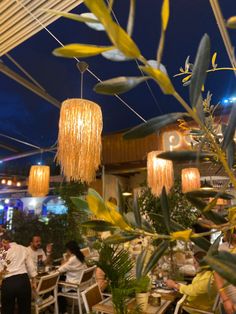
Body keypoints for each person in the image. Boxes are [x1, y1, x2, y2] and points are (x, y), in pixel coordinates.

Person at [0, 232, 37, 314]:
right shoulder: (23, 248)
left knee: (7, 309)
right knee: (25, 309)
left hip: (8, 283)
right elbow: (31, 267)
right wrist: (34, 281)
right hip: (23, 281)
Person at [57, 241, 87, 314]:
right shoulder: (80, 256)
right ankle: (63, 310)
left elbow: (59, 270)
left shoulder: (72, 259)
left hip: (74, 287)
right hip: (83, 285)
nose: (66, 252)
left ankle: (63, 311)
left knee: (56, 288)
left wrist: (64, 261)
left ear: (69, 250)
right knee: (61, 279)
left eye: (66, 250)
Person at [214, 229, 236, 314]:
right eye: (234, 231)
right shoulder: (223, 248)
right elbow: (217, 274)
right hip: (228, 303)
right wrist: (225, 299)